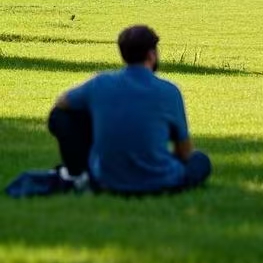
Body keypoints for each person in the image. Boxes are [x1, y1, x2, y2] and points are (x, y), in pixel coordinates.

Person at [47, 25, 211, 194]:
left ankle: (76, 173)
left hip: (106, 179)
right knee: (200, 160)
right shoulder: (169, 91)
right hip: (160, 180)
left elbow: (61, 104)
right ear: (152, 55)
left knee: (61, 116)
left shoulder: (100, 84)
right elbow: (184, 152)